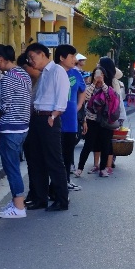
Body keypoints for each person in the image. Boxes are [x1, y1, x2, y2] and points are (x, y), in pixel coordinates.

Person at [24, 42, 70, 211]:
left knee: (54, 160)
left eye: (32, 57)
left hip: (49, 119)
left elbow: (62, 97)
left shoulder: (58, 71)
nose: (30, 61)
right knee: (36, 160)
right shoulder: (43, 74)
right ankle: (40, 198)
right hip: (37, 118)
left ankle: (61, 199)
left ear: (42, 54)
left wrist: (53, 115)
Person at [0, 45, 31, 218]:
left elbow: (6, 104)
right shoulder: (24, 74)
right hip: (23, 126)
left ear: (0, 59)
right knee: (14, 165)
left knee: (11, 167)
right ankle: (16, 201)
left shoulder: (8, 78)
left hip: (11, 128)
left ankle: (19, 207)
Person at [77, 63, 120, 178]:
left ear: (104, 76)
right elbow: (86, 98)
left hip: (105, 120)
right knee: (88, 145)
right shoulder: (89, 87)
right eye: (96, 74)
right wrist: (94, 83)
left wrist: (103, 83)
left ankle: (103, 169)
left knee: (105, 144)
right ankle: (80, 168)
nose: (98, 76)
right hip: (91, 120)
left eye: (100, 74)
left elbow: (110, 98)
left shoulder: (108, 88)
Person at [55, 44, 85, 191]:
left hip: (71, 120)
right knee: (56, 153)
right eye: (72, 56)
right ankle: (56, 184)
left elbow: (82, 91)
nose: (75, 59)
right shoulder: (53, 72)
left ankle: (66, 180)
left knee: (68, 152)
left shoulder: (76, 74)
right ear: (61, 58)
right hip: (55, 119)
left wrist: (78, 106)